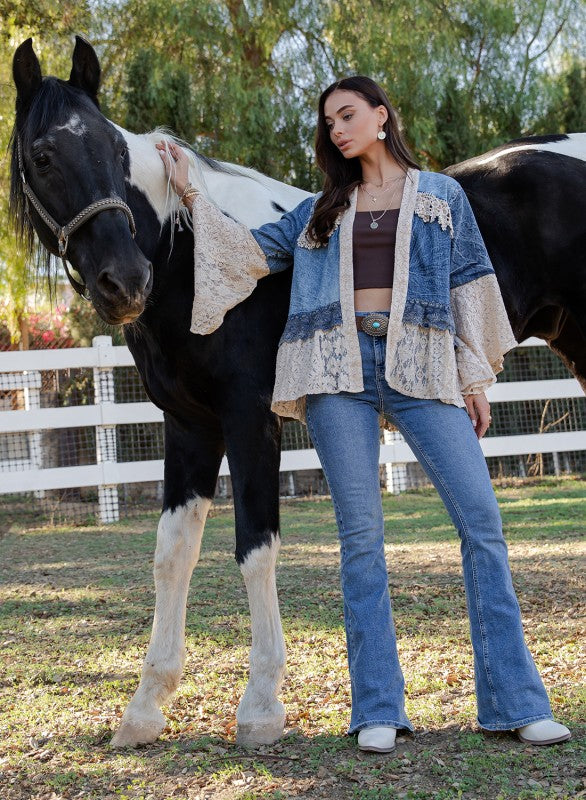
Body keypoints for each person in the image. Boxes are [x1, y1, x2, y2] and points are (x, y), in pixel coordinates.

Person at [156, 76, 571, 753]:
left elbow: (470, 286)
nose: (338, 129)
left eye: (348, 115)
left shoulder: (442, 196)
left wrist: (473, 377)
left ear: (381, 116)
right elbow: (247, 254)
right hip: (336, 376)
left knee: (483, 525)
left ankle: (517, 703)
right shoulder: (322, 209)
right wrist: (194, 192)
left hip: (423, 366)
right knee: (362, 540)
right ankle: (377, 707)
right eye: (329, 121)